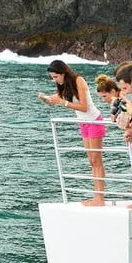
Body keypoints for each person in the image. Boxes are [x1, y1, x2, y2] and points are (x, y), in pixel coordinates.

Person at [43, 60, 107, 206]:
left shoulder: (79, 80)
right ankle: (97, 195)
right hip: (83, 123)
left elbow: (84, 107)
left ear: (63, 73)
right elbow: (59, 100)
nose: (55, 80)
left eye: (56, 77)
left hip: (94, 120)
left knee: (97, 160)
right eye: (52, 77)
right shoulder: (64, 85)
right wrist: (48, 99)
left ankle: (99, 198)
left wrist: (62, 102)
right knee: (91, 161)